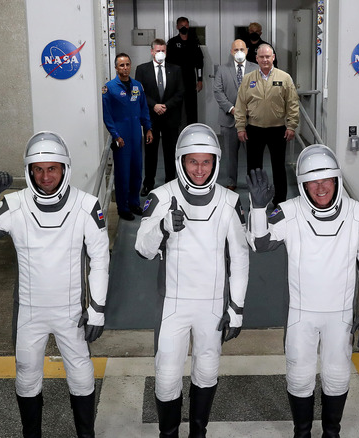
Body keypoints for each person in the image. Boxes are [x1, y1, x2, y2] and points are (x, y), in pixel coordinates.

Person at [0, 131, 110, 438]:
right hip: (29, 313)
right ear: (29, 170)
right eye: (38, 169)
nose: (45, 176)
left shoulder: (87, 206)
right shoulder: (15, 204)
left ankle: (86, 435)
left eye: (52, 168)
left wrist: (96, 310)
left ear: (64, 168)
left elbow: (100, 261)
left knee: (81, 377)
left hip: (72, 312)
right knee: (27, 378)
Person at [245, 145, 359, 438]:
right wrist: (258, 209)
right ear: (302, 184)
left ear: (337, 179)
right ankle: (302, 432)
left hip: (341, 314)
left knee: (337, 376)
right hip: (301, 315)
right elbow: (259, 244)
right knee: (299, 376)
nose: (320, 188)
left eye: (326, 180)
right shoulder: (290, 211)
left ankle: (332, 432)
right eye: (312, 181)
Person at [135, 123, 249, 438]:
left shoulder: (229, 201)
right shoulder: (161, 197)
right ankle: (168, 434)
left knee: (207, 371)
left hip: (213, 305)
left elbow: (239, 257)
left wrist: (236, 306)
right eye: (192, 161)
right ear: (180, 161)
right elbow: (142, 250)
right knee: (167, 376)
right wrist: (162, 228)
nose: (199, 169)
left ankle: (199, 432)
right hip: (173, 304)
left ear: (215, 162)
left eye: (206, 161)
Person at [234, 44, 299, 206]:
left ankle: (280, 202)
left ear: (273, 57)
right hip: (254, 130)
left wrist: (291, 125)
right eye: (261, 57)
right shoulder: (248, 79)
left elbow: (292, 103)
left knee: (279, 167)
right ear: (256, 59)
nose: (265, 60)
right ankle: (255, 200)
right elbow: (240, 105)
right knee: (253, 168)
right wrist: (240, 127)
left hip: (278, 130)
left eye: (268, 57)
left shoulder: (284, 78)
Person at [102, 53, 153, 221]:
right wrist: (115, 135)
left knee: (137, 171)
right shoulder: (110, 88)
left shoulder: (137, 86)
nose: (125, 68)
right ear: (116, 68)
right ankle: (123, 207)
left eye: (127, 64)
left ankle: (134, 202)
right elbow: (107, 115)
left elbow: (144, 109)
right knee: (123, 173)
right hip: (121, 137)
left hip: (135, 136)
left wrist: (148, 128)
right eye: (121, 65)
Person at [135, 38, 185, 196]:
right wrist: (154, 105)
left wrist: (166, 106)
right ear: (152, 52)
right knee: (150, 152)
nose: (161, 53)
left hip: (170, 117)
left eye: (163, 51)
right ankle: (148, 183)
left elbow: (180, 92)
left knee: (170, 152)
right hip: (151, 117)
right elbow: (140, 92)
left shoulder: (175, 69)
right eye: (158, 51)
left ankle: (171, 182)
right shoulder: (142, 69)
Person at [213, 39, 259, 191]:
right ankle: (231, 182)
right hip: (229, 120)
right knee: (230, 155)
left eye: (242, 49)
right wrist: (232, 109)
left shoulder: (256, 69)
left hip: (251, 120)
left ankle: (253, 182)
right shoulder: (222, 69)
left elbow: (261, 92)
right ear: (231, 52)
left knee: (253, 155)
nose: (239, 52)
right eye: (235, 49)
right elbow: (218, 92)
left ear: (247, 51)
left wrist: (249, 110)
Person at [166, 17, 204, 125]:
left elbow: (199, 63)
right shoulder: (172, 42)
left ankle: (192, 131)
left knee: (191, 108)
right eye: (181, 25)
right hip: (175, 81)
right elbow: (167, 63)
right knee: (174, 107)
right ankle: (174, 134)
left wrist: (200, 80)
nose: (184, 27)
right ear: (177, 27)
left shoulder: (194, 42)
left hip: (190, 79)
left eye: (186, 25)